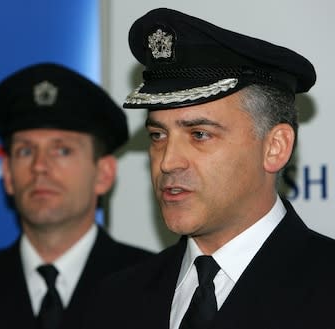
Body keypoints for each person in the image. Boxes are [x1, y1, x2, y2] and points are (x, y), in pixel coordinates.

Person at [82, 8, 335, 329]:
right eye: (158, 135)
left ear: (275, 147)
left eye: (199, 134)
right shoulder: (114, 299)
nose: (167, 161)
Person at [0, 62, 153, 329]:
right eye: (25, 151)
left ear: (104, 174)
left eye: (62, 151)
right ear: (7, 173)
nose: (39, 166)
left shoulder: (157, 287)